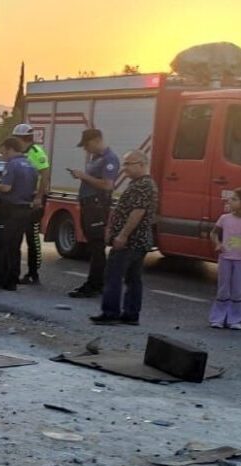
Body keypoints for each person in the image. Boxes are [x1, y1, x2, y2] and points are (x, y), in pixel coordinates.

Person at [89, 151, 158, 325]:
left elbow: (137, 212)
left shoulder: (143, 185)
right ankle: (130, 314)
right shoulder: (139, 184)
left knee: (113, 275)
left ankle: (110, 313)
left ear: (141, 165)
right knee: (133, 278)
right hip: (137, 241)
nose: (125, 167)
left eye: (129, 164)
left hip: (131, 241)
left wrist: (122, 235)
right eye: (125, 163)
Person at [0, 137, 38, 291]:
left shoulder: (12, 165)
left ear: (9, 148)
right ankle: (11, 280)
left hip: (9, 210)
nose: (1, 154)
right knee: (14, 245)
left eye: (2, 150)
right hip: (25, 210)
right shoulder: (30, 164)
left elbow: (6, 188)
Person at [67, 129, 120, 298]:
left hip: (97, 205)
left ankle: (95, 284)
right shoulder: (95, 158)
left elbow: (107, 185)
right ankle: (95, 282)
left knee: (97, 246)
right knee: (92, 245)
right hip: (89, 204)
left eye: (87, 145)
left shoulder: (109, 159)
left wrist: (83, 176)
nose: (86, 149)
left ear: (97, 140)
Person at [12, 123, 51, 284]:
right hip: (21, 198)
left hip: (34, 199)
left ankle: (33, 272)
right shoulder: (21, 154)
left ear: (23, 139)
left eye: (16, 138)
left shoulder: (36, 152)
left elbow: (45, 174)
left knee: (32, 237)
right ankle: (14, 271)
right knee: (16, 236)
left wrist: (39, 197)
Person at [209, 187, 241, 330]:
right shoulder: (225, 218)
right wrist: (217, 244)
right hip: (225, 258)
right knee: (223, 288)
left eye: (234, 199)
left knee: (238, 289)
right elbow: (213, 233)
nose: (230, 201)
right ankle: (217, 318)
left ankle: (235, 319)